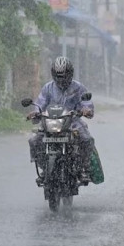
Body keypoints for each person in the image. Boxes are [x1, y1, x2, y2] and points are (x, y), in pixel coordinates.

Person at [27, 56, 95, 184]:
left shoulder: (78, 88)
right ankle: (44, 168)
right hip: (51, 122)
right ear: (53, 74)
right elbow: (40, 103)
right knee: (34, 141)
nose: (61, 79)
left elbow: (86, 103)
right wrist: (35, 113)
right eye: (58, 76)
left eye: (64, 75)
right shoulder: (48, 88)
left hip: (73, 122)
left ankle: (84, 168)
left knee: (87, 140)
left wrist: (86, 110)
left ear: (70, 73)